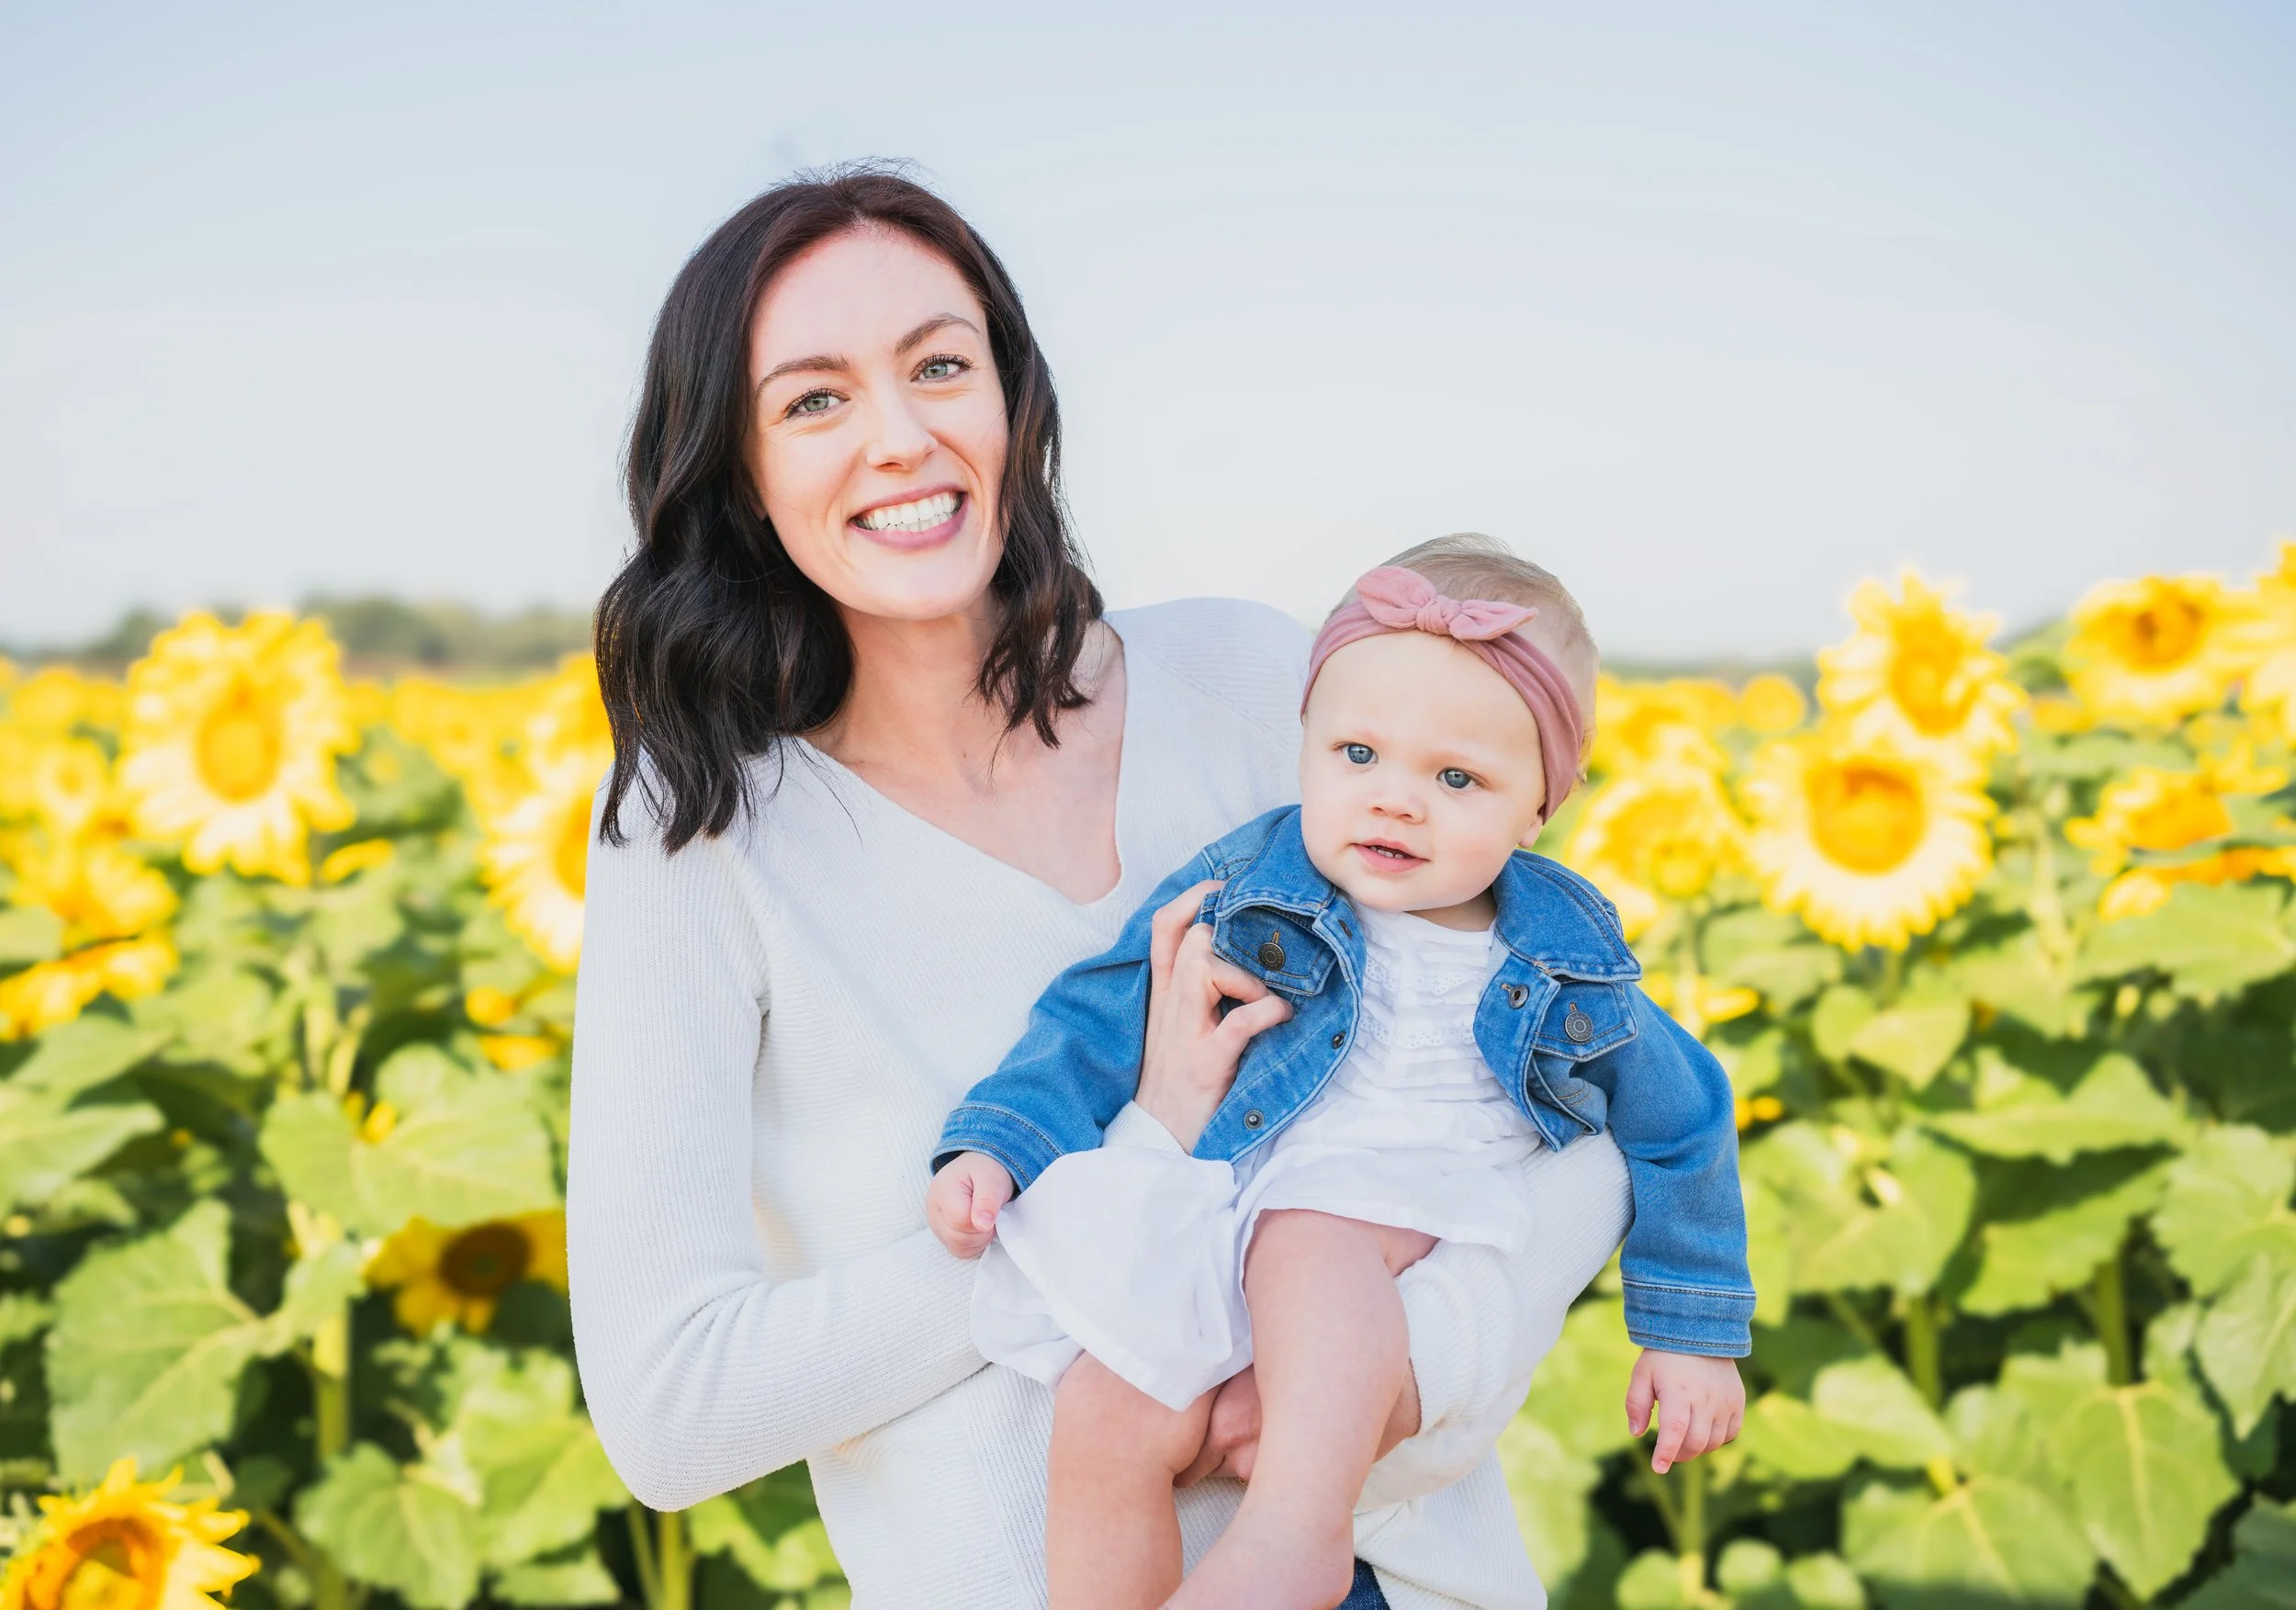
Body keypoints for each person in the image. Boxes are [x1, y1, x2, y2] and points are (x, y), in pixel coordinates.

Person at [568, 166, 1687, 1610]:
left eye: (940, 366)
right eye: (815, 399)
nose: (901, 438)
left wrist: (1400, 1374)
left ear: (1015, 400)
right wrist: (1129, 1180)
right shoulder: (700, 837)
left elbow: (1594, 1109)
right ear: (735, 466)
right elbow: (677, 1411)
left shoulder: (1246, 686)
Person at [929, 546, 1752, 1610]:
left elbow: (1682, 1121)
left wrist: (1689, 1333)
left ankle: (1292, 1534)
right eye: (1357, 753)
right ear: (1307, 750)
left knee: (1310, 1241)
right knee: (1106, 1405)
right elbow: (1104, 1004)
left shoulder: (1561, 960)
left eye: (1456, 779)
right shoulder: (1253, 882)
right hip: (1229, 1203)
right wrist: (1001, 1140)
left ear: (1539, 806)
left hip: (1391, 1209)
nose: (1395, 802)